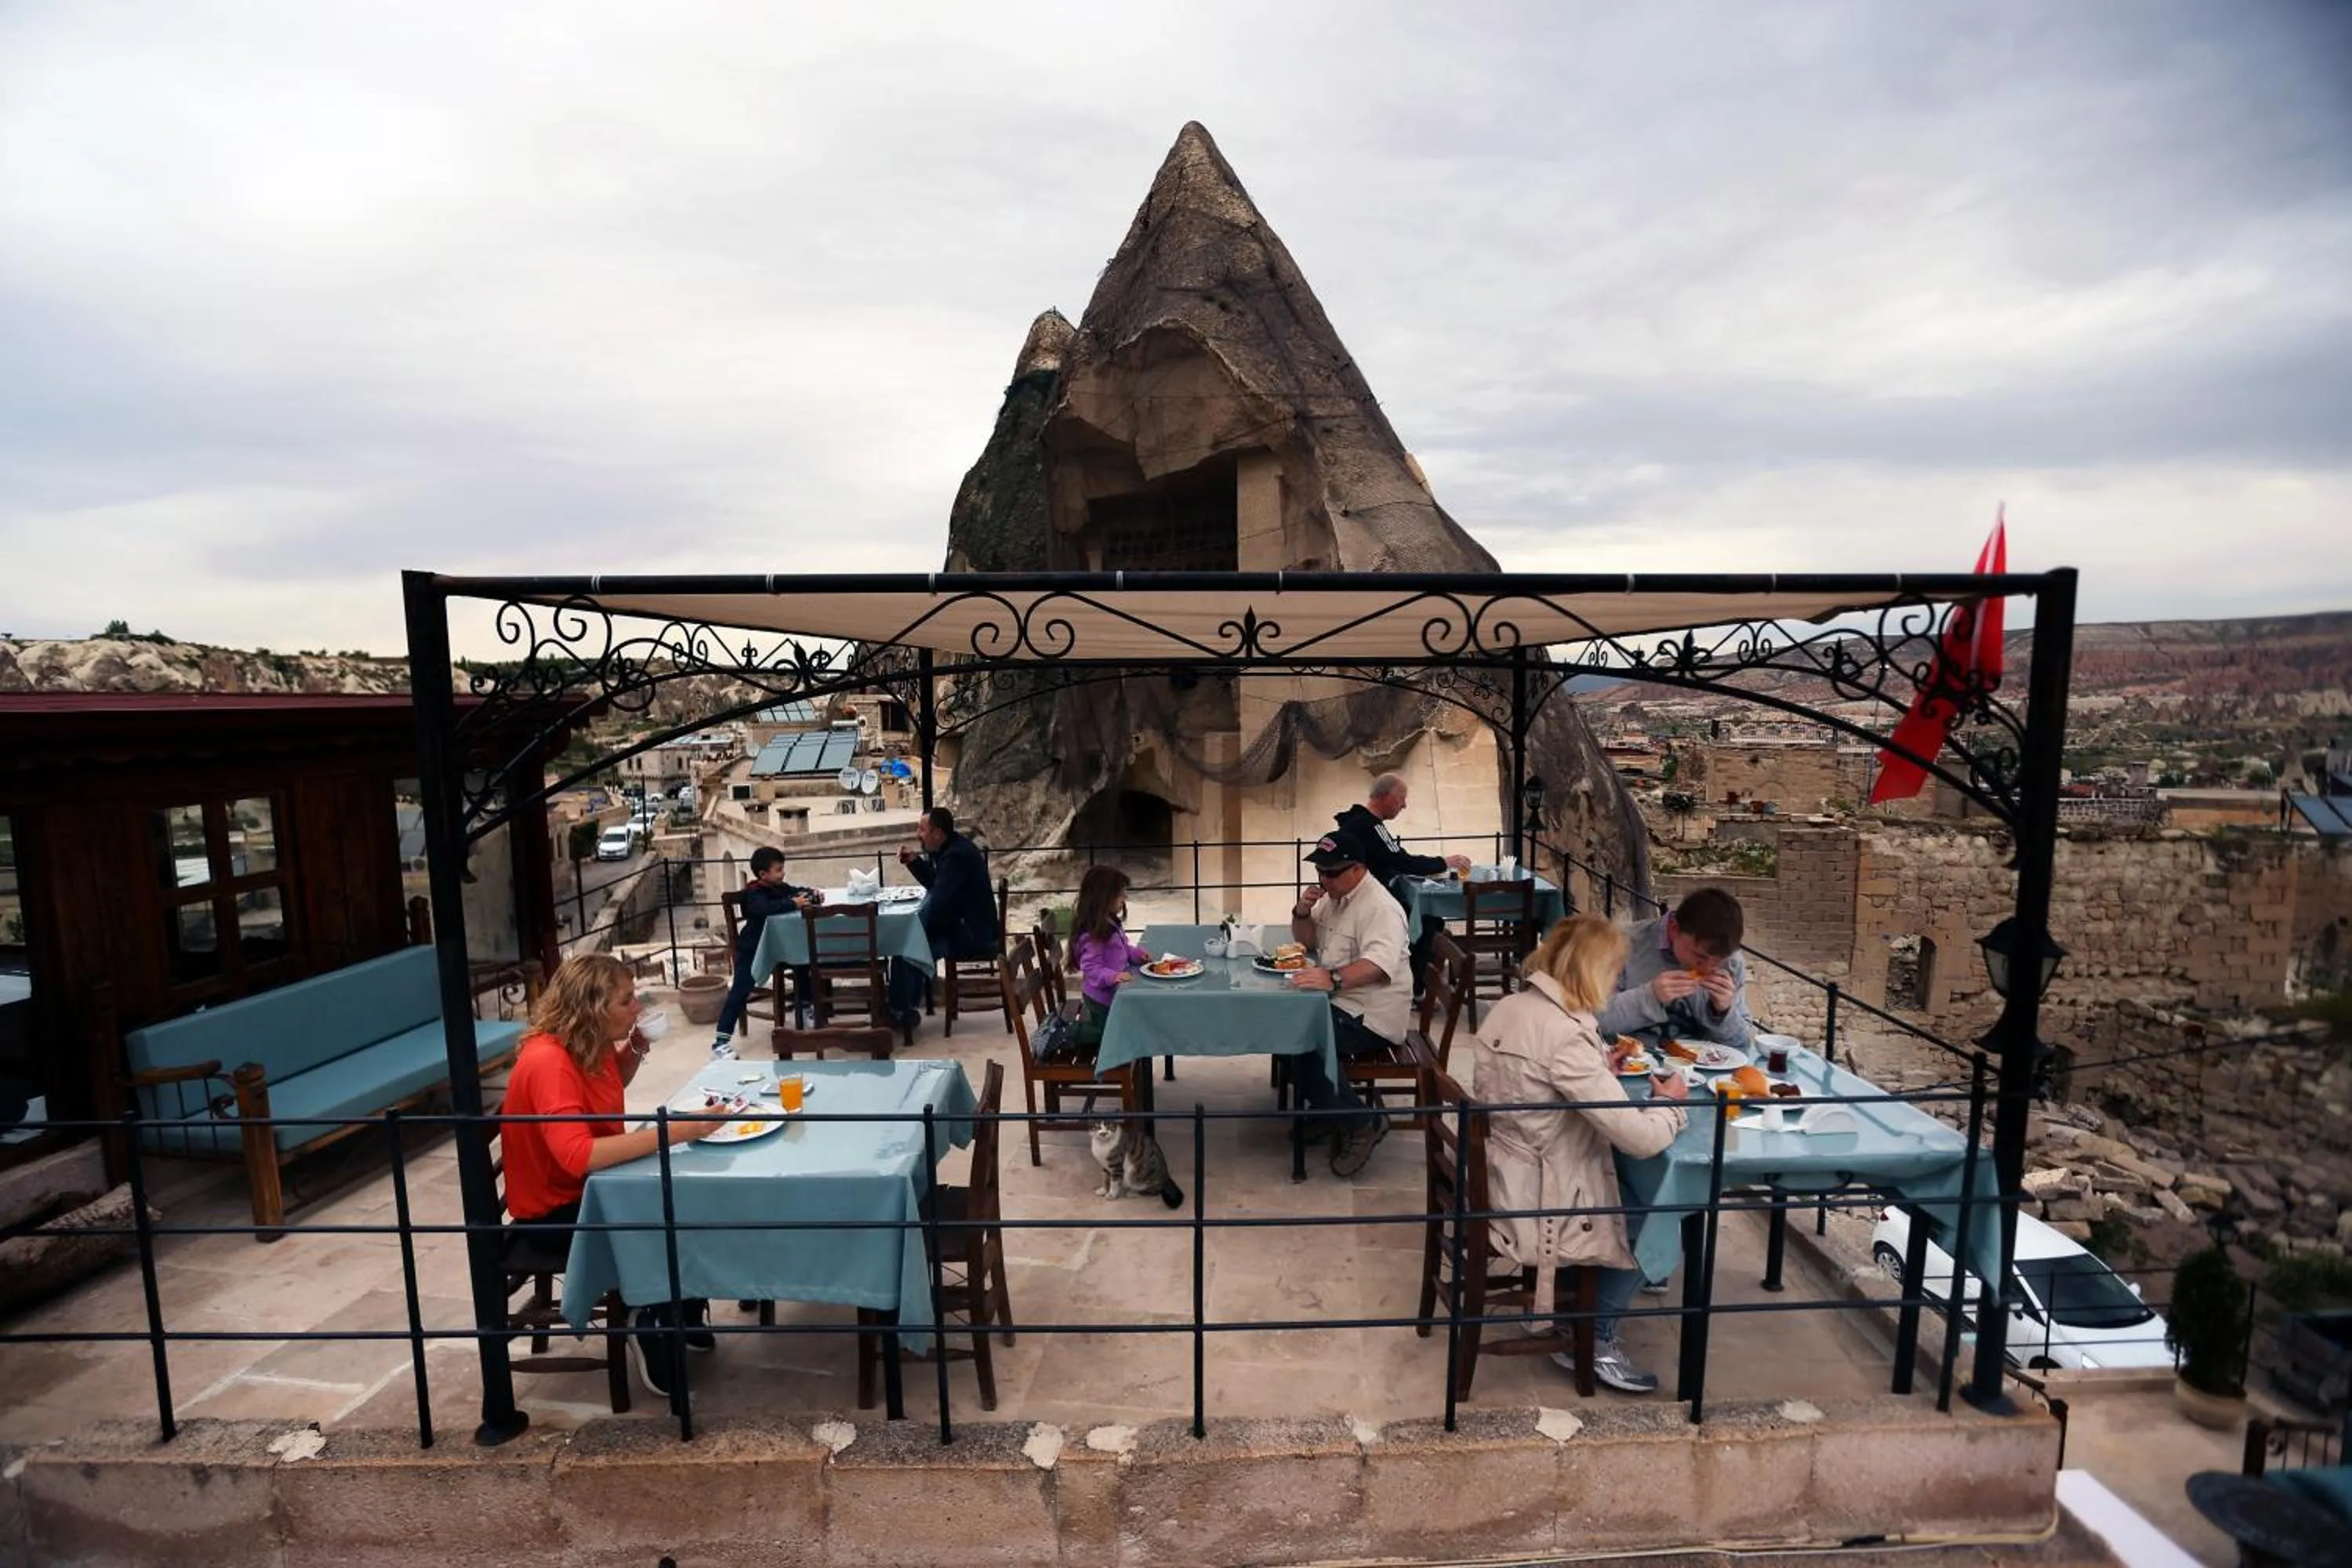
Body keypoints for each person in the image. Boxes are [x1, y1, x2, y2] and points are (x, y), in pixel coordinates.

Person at [1475, 914, 1690, 1394]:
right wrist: (1671, 1106)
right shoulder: (1566, 1034)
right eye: (1614, 970)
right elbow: (1641, 1138)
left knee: (1634, 1179)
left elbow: (1535, 1082)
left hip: (1508, 1167)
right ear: (1593, 970)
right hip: (1541, 1193)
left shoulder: (1512, 1007)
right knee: (1656, 1201)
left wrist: (1599, 1067)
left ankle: (1571, 1309)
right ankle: (1592, 1336)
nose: (1618, 981)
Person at [499, 954, 715, 1401]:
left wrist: (635, 1046)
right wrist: (678, 1131)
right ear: (592, 1007)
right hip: (554, 1214)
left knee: (690, 1195)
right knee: (667, 1211)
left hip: (590, 1191)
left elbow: (608, 1080)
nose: (636, 1007)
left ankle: (684, 1307)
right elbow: (579, 1156)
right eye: (626, 1000)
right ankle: (648, 1313)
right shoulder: (548, 1062)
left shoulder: (586, 1042)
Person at [1285, 828, 1412, 1178]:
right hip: (1342, 1002)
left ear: (1357, 869)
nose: (1323, 879)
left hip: (1372, 1014)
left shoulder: (1381, 907)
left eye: (1331, 872)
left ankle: (1361, 1124)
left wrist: (1334, 978)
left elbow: (1378, 965)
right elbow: (1309, 943)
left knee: (1306, 1042)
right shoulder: (1335, 897)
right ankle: (1331, 1112)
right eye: (1319, 871)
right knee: (1285, 1030)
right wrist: (1301, 912)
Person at [1333, 773, 1471, 995]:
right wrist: (1443, 862)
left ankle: (1424, 982)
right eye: (1401, 798)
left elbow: (1394, 858)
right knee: (1427, 921)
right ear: (1385, 797)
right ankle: (1417, 988)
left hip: (1365, 893)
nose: (1404, 805)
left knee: (1430, 920)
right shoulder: (1371, 826)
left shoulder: (1358, 822)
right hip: (1372, 900)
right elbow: (1402, 861)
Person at [1594, 887, 1755, 1053]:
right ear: (1673, 928)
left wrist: (1723, 1012)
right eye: (1700, 957)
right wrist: (1649, 998)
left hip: (1701, 1070)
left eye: (1719, 960)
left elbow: (1741, 1043)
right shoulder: (1621, 944)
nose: (1708, 968)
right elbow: (1591, 1022)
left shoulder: (1732, 961)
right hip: (1626, 1066)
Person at [887, 806, 998, 1033]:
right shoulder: (953, 849)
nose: (918, 834)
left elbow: (939, 903)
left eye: (922, 829)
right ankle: (905, 1008)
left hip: (973, 935)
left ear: (938, 833)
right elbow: (939, 887)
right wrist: (914, 862)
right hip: (967, 927)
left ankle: (901, 1013)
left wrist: (915, 930)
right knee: (913, 943)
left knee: (906, 949)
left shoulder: (956, 856)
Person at [711, 847, 819, 1059]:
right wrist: (791, 903)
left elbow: (794, 890)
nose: (783, 873)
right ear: (763, 875)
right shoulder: (754, 892)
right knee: (740, 989)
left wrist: (809, 893)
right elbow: (761, 909)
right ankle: (720, 1042)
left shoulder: (779, 887)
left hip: (780, 946)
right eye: (779, 870)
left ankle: (806, 1008)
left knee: (803, 962)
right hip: (754, 949)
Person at [1067, 866, 1151, 1048]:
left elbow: (1123, 948)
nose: (1124, 899)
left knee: (1130, 1028)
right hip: (1100, 999)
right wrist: (1113, 977)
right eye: (1120, 894)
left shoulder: (1110, 921)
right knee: (1114, 1035)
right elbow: (1091, 969)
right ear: (1103, 897)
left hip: (1113, 993)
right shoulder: (1093, 931)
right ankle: (1065, 1033)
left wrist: (1138, 955)